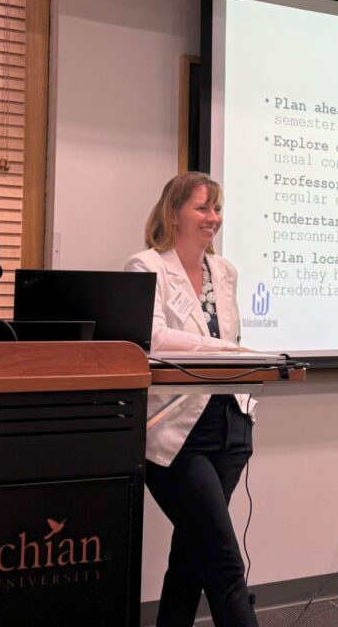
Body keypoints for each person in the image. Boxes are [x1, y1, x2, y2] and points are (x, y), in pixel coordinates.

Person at [125, 171, 258, 627]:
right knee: (223, 561)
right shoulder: (145, 266)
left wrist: (228, 351)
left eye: (217, 208)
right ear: (174, 213)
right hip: (176, 432)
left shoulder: (225, 272)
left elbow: (232, 338)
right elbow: (153, 337)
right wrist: (221, 349)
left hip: (231, 423)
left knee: (191, 555)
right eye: (202, 207)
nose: (213, 218)